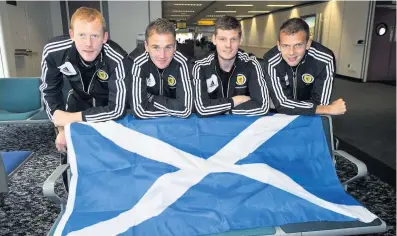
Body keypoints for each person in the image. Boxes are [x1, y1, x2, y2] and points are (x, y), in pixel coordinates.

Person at [39, 7, 127, 189]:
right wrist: (62, 128)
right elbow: (49, 91)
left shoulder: (118, 59)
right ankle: (73, 195)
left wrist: (71, 118)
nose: (88, 43)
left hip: (106, 106)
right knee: (68, 147)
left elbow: (117, 108)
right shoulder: (54, 51)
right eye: (81, 35)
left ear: (105, 37)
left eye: (95, 36)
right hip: (77, 100)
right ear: (71, 34)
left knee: (109, 155)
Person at [263, 17, 346, 115]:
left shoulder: (325, 59)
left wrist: (320, 108)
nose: (291, 52)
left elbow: (320, 104)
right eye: (285, 46)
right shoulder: (271, 60)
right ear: (278, 45)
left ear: (308, 44)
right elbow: (282, 104)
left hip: (310, 112)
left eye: (298, 45)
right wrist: (328, 109)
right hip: (279, 111)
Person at [192, 16, 269, 117]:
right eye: (222, 39)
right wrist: (234, 101)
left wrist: (226, 111)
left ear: (240, 40)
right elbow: (201, 109)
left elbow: (262, 106)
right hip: (210, 129)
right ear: (214, 40)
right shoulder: (200, 66)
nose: (228, 45)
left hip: (242, 129)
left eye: (233, 39)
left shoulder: (251, 63)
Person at [126, 18, 193, 119]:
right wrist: (174, 109)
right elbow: (139, 110)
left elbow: (185, 110)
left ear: (175, 46)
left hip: (175, 125)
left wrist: (151, 97)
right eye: (156, 47)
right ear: (146, 46)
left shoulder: (183, 63)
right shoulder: (136, 62)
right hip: (143, 126)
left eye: (168, 47)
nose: (162, 55)